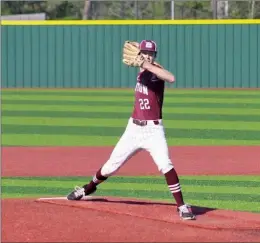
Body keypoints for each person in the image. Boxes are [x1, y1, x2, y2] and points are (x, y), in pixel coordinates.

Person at [66, 40, 196, 220]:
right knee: (110, 166)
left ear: (155, 55)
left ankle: (182, 206)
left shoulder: (154, 70)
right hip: (133, 129)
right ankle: (87, 189)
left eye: (150, 53)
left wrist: (145, 63)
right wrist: (141, 61)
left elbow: (170, 77)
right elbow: (139, 63)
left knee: (166, 165)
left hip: (153, 130)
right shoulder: (140, 70)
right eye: (144, 52)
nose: (147, 55)